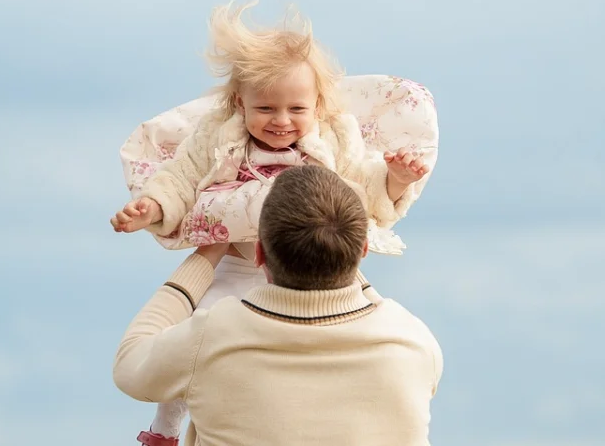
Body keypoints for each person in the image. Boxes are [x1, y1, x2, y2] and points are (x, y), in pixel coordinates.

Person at [109, 0, 431, 443]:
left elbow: (364, 191)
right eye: (265, 110)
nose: (281, 122)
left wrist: (395, 179)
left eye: (296, 110)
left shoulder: (336, 137)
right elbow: (181, 179)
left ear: (318, 104)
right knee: (192, 332)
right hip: (235, 265)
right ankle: (164, 430)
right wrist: (154, 207)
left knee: (202, 343)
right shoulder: (217, 136)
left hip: (313, 265)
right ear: (239, 103)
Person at [113, 165, 443, 445]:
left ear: (258, 255)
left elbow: (130, 365)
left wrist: (206, 254)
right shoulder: (413, 342)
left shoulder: (213, 336)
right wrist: (341, 253)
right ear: (364, 251)